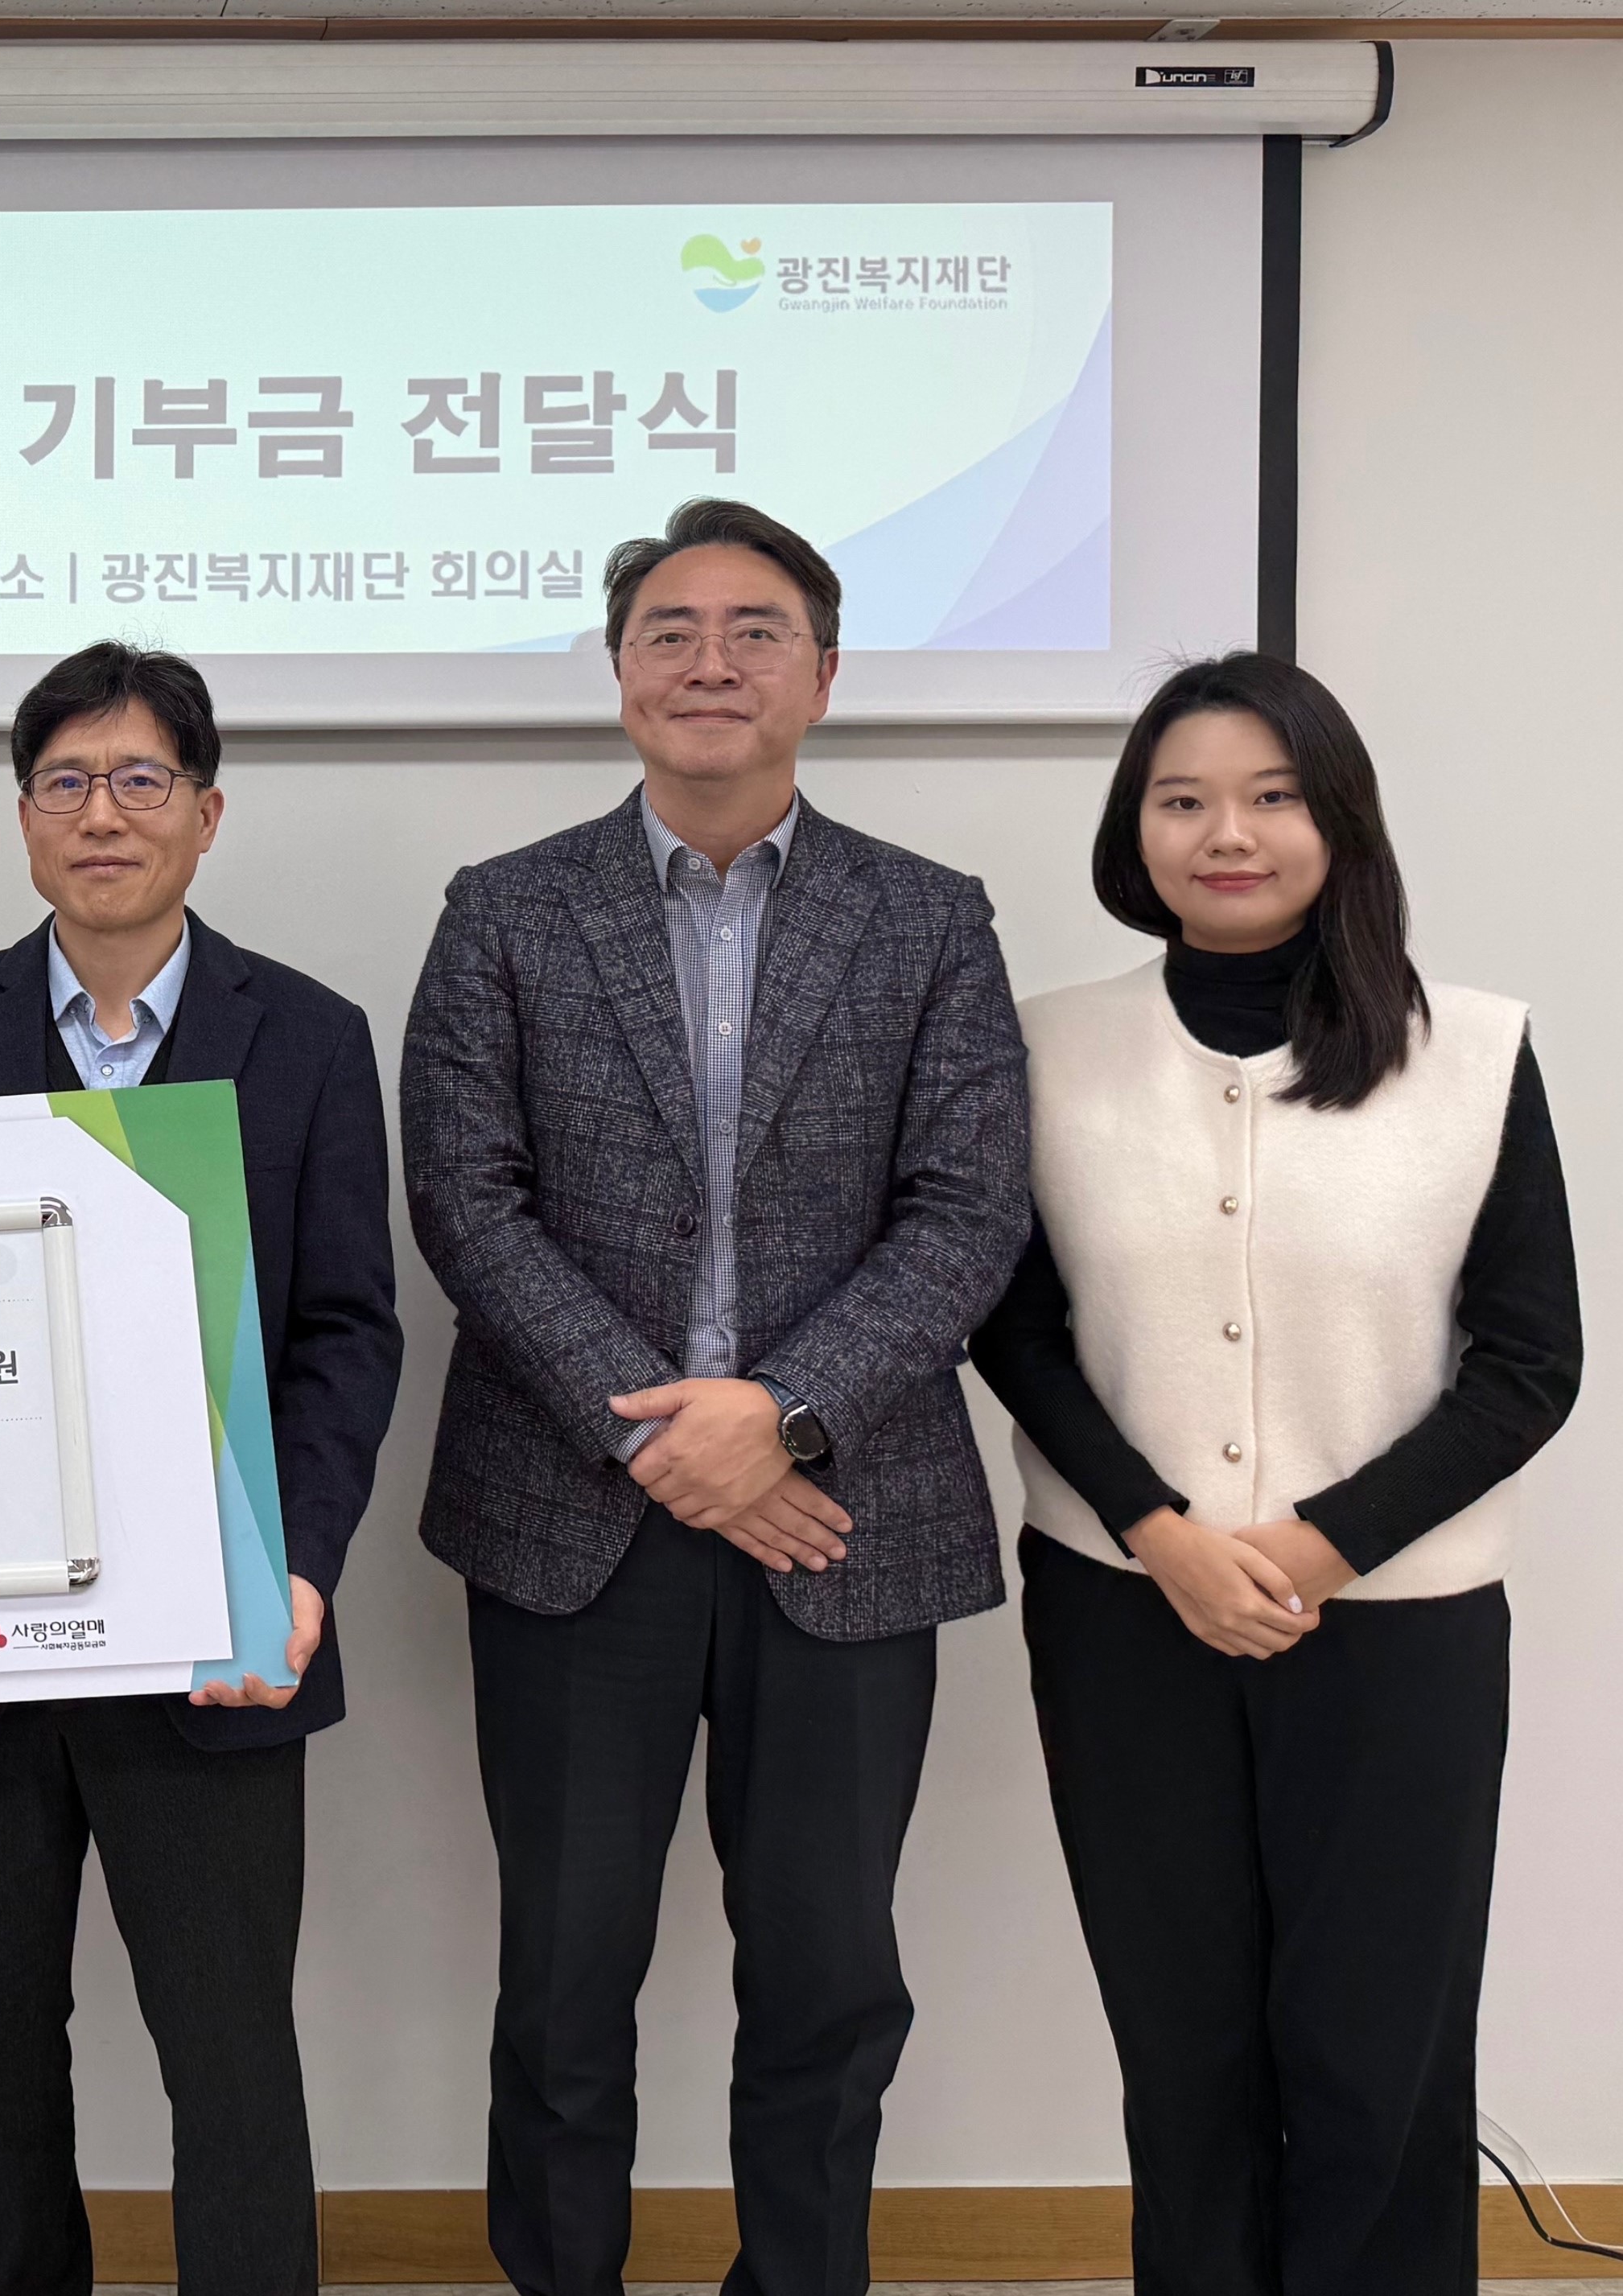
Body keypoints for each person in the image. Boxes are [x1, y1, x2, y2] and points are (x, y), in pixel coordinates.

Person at [401, 499, 1033, 2296]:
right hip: (569, 1521)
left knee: (830, 1976)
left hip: (846, 1515)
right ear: (617, 675)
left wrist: (781, 1413)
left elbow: (967, 1208)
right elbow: (466, 1198)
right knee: (562, 1979)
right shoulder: (505, 909)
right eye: (668, 629)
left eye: (755, 630)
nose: (709, 660)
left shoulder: (928, 918)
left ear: (822, 674)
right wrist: (661, 1434)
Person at [967, 654, 1576, 2296]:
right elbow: (1015, 1327)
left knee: (1378, 2049)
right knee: (1183, 2051)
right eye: (1182, 800)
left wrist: (1314, 1547)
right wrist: (1159, 1534)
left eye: (1270, 796)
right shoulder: (1047, 1048)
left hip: (1398, 1626)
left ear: (1337, 819)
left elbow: (1529, 1362)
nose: (1224, 833)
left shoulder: (1470, 1051)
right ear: (1134, 830)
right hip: (1123, 1613)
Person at [0, 643, 403, 2296]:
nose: (102, 814)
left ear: (205, 813)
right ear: (23, 816)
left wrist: (292, 1567)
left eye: (140, 779)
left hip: (219, 1636)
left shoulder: (307, 1032)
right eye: (66, 782)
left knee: (229, 2051)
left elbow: (345, 1331)